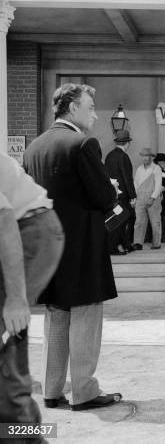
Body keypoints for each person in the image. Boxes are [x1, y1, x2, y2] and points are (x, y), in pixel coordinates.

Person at [23, 83, 123, 411]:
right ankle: (84, 391)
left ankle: (52, 390)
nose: (95, 113)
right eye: (90, 106)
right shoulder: (82, 144)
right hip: (82, 245)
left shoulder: (34, 147)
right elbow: (104, 198)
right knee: (86, 314)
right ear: (71, 107)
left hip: (49, 248)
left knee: (56, 316)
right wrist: (109, 186)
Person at [0, 150, 64, 440]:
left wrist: (15, 299)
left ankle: (22, 433)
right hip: (24, 227)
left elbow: (4, 223)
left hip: (27, 230)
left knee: (6, 338)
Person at [104, 129, 137, 255]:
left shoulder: (109, 156)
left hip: (112, 195)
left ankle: (126, 244)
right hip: (123, 195)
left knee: (118, 219)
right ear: (127, 143)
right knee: (121, 221)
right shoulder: (124, 156)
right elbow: (127, 178)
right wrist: (133, 196)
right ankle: (113, 248)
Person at [133, 148, 163, 250]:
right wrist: (135, 198)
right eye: (143, 156)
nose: (145, 158)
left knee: (155, 222)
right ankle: (138, 243)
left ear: (151, 157)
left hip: (152, 198)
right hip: (140, 197)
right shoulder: (139, 169)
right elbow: (136, 184)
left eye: (147, 156)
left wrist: (153, 197)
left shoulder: (156, 168)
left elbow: (158, 185)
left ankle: (156, 243)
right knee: (139, 221)